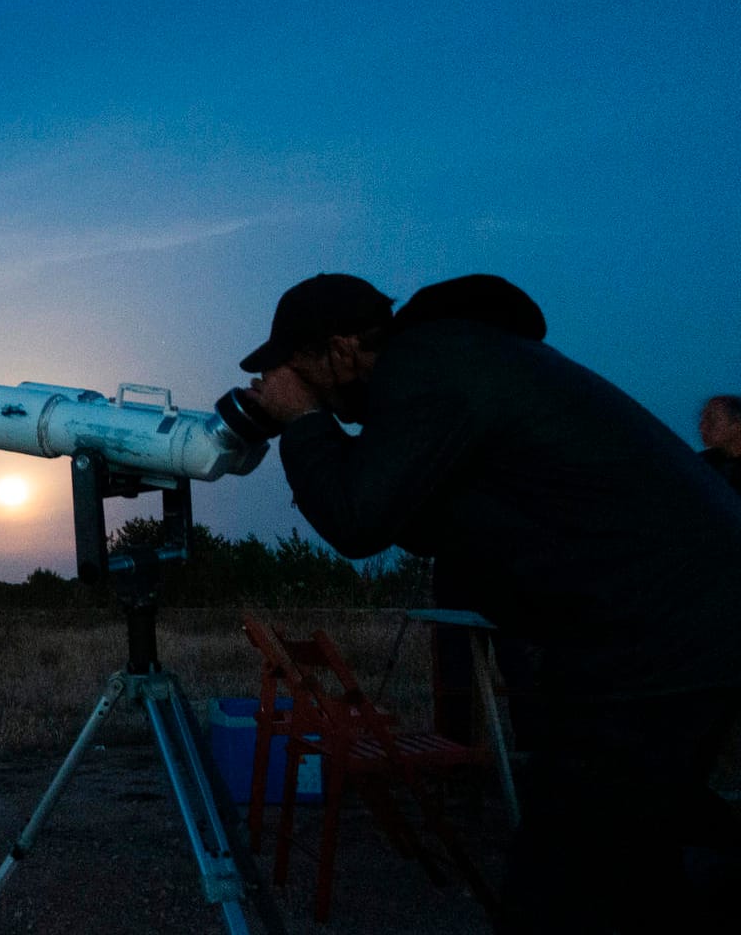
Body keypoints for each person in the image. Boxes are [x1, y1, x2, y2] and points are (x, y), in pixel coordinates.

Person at [238, 272, 741, 933]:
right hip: (683, 622)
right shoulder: (454, 361)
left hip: (653, 636)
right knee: (631, 856)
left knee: (559, 885)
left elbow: (358, 520)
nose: (290, 386)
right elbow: (407, 516)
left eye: (296, 369)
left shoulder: (430, 367)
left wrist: (303, 421)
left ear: (339, 351)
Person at [701, 394, 741, 493]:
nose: (702, 427)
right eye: (703, 419)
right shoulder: (703, 461)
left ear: (737, 425)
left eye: (712, 420)